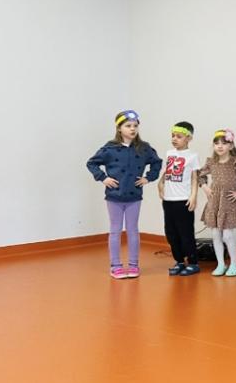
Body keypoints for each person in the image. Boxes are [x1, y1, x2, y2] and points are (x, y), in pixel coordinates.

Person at [86, 110, 162, 279]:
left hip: (134, 196)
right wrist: (103, 178)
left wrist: (148, 178)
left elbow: (157, 163)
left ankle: (134, 265)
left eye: (135, 126)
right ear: (119, 128)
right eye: (128, 126)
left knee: (133, 230)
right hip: (114, 196)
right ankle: (116, 266)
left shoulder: (144, 148)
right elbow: (92, 163)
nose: (132, 129)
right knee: (115, 230)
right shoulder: (109, 148)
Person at [199, 129, 236, 277]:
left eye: (224, 143)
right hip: (214, 203)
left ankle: (234, 264)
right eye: (216, 143)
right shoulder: (211, 162)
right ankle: (220, 264)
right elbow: (200, 175)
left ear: (230, 146)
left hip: (229, 204)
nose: (219, 146)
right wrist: (205, 187)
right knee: (215, 234)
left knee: (228, 236)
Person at [160, 121, 200, 276]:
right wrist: (160, 183)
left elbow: (195, 178)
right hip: (168, 200)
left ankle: (193, 262)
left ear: (188, 138)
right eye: (173, 136)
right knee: (171, 233)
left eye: (178, 136)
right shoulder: (169, 153)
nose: (174, 139)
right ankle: (179, 261)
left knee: (185, 233)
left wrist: (194, 196)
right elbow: (167, 172)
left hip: (183, 200)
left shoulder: (192, 156)